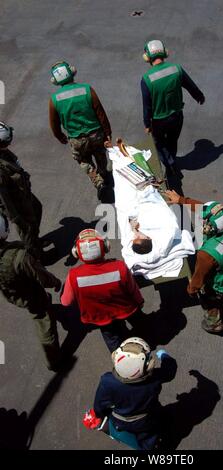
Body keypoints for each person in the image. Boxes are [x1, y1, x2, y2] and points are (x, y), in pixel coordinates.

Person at [164, 189, 223, 334]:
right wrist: (181, 200)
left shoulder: (208, 254)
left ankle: (214, 322)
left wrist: (192, 289)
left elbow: (199, 276)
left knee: (208, 295)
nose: (201, 222)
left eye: (204, 223)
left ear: (211, 228)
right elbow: (205, 210)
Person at [84, 337, 177, 450]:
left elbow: (100, 404)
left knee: (141, 434)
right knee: (149, 434)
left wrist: (99, 414)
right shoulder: (154, 379)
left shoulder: (107, 381)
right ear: (147, 365)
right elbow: (170, 371)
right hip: (146, 419)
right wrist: (164, 356)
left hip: (120, 420)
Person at [60, 229, 145, 352]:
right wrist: (139, 302)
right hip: (125, 309)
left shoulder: (73, 276)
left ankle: (120, 359)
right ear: (105, 247)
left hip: (100, 317)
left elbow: (66, 302)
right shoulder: (119, 267)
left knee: (112, 339)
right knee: (140, 326)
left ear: (77, 252)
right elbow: (133, 290)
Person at [0, 215, 62, 370]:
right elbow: (42, 276)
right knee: (43, 318)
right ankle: (54, 360)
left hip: (11, 293)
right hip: (29, 292)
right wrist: (56, 282)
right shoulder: (19, 256)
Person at [49, 61, 112, 200]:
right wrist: (108, 132)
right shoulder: (87, 89)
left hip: (76, 139)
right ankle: (104, 174)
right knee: (100, 155)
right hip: (96, 134)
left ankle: (98, 182)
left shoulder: (54, 100)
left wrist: (60, 136)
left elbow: (54, 124)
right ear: (72, 72)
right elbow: (100, 113)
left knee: (83, 160)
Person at [141, 40, 205, 176]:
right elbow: (191, 86)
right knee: (172, 140)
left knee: (159, 144)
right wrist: (199, 96)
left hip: (158, 120)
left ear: (147, 57)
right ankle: (172, 160)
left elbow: (146, 105)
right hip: (176, 116)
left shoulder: (147, 79)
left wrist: (147, 123)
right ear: (165, 52)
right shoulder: (176, 69)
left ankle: (169, 163)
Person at [0, 122, 45, 258]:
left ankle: (35, 242)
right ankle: (36, 257)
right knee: (27, 229)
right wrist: (16, 218)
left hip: (23, 194)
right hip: (16, 204)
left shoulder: (4, 153)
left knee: (37, 209)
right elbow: (3, 198)